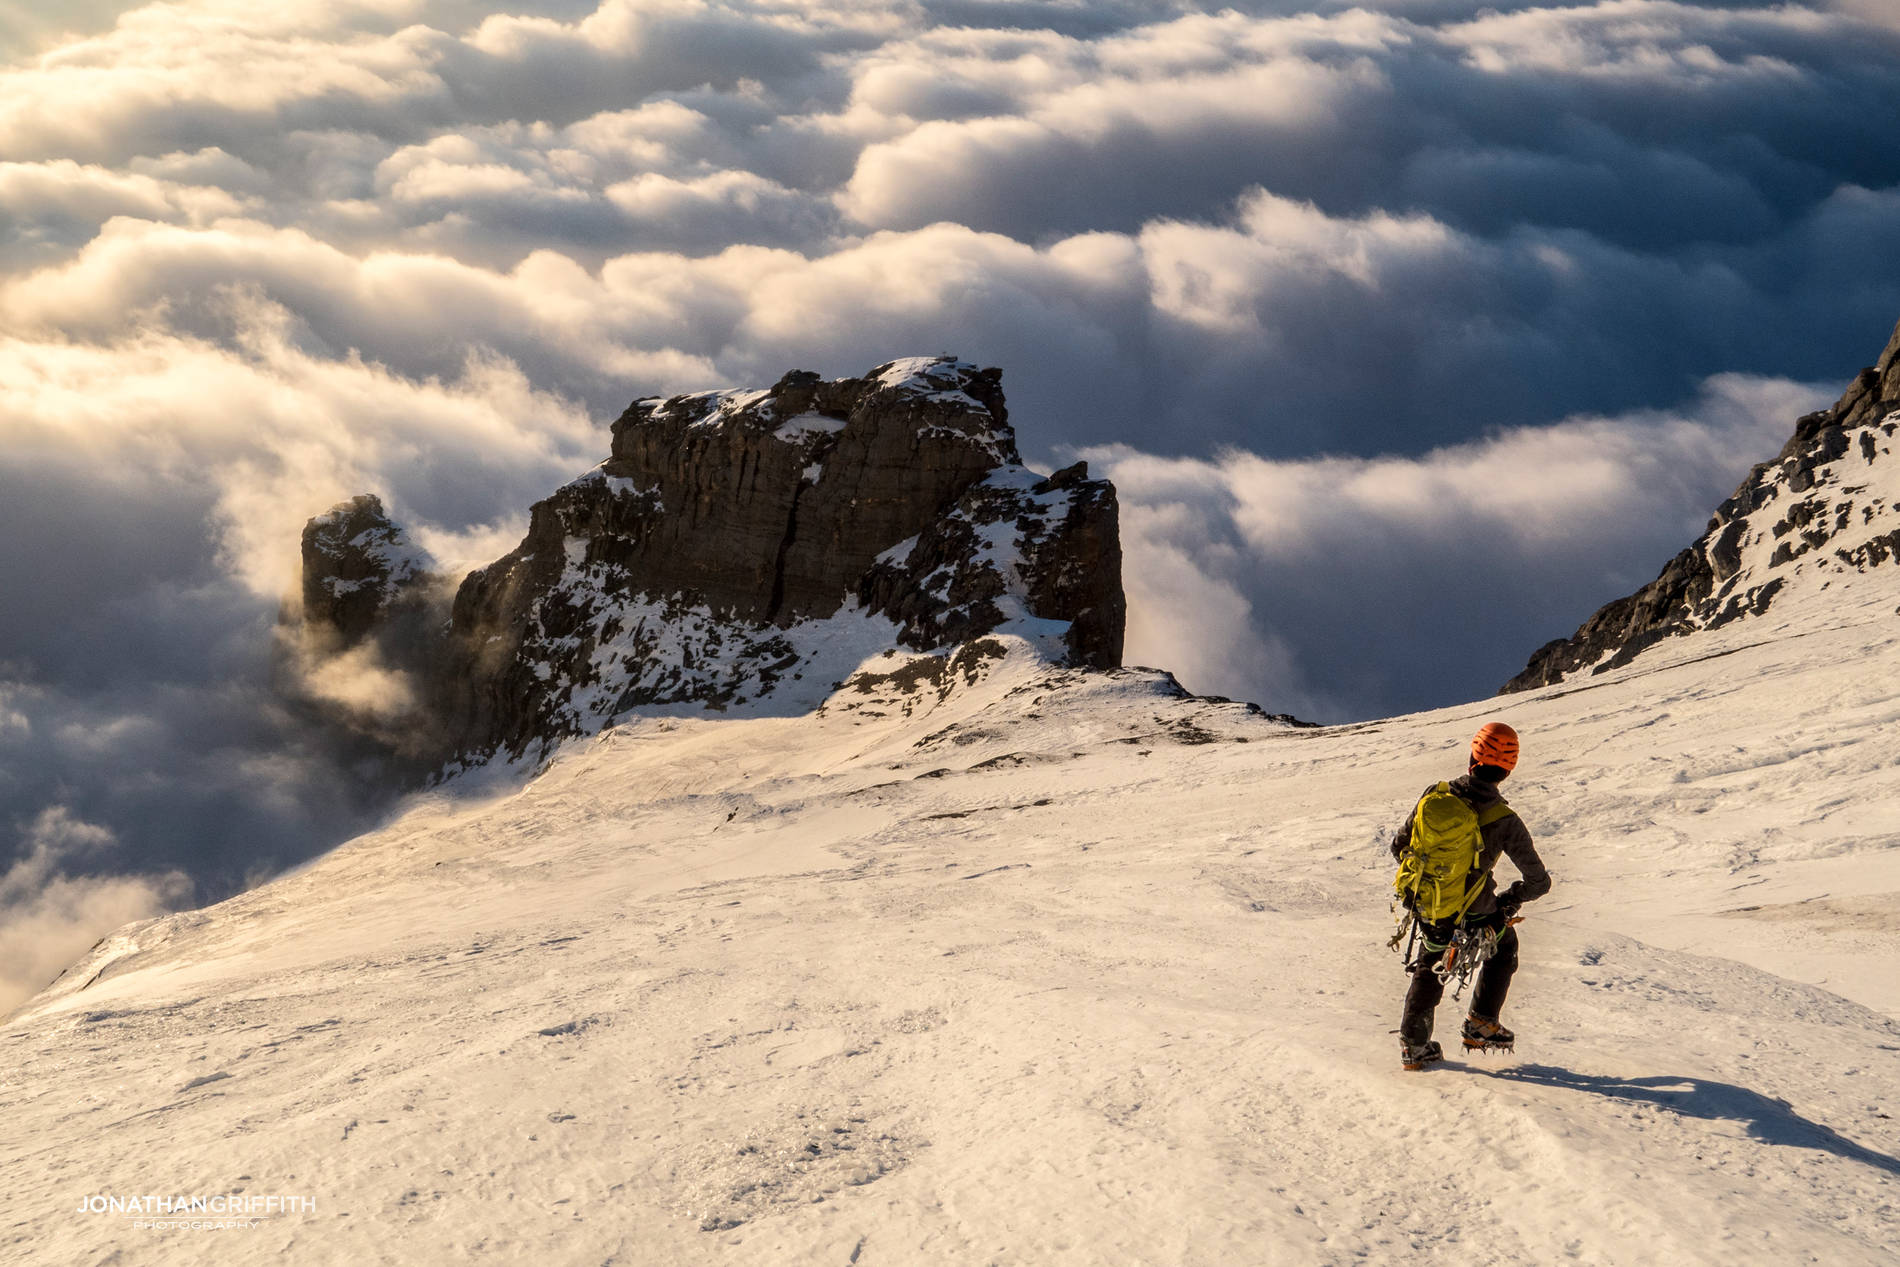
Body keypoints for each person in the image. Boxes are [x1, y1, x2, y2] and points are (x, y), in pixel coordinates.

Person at [1390, 722, 1550, 1071]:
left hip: (1432, 904)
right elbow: (1539, 882)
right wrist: (1507, 903)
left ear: (1471, 758)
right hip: (1477, 911)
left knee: (1430, 962)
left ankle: (1414, 1047)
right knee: (1504, 947)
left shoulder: (1436, 796)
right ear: (1508, 770)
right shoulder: (1505, 820)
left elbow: (1399, 846)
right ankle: (1481, 1022)